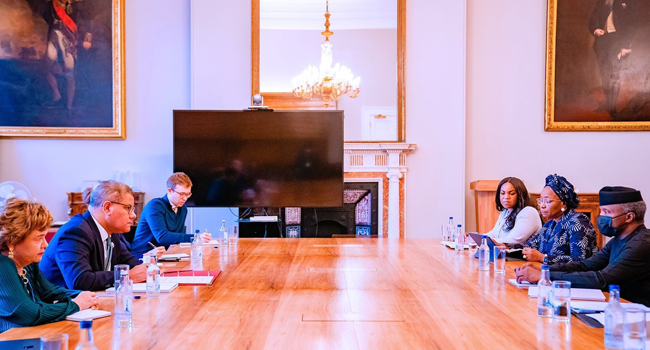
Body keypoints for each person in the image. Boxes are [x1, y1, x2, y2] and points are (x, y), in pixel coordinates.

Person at [516, 186, 650, 306]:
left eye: (607, 212)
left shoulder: (641, 244)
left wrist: (544, 277)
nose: (601, 216)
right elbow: (586, 265)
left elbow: (602, 279)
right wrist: (544, 269)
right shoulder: (618, 239)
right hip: (617, 306)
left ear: (629, 217)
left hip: (637, 314)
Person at [0, 198, 98, 333]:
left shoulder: (27, 263)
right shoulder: (3, 264)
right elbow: (29, 313)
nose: (45, 244)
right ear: (13, 240)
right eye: (38, 238)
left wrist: (85, 296)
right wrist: (76, 305)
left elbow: (50, 293)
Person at [40, 181, 147, 291]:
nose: (133, 215)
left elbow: (132, 264)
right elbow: (80, 281)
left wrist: (147, 268)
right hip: (59, 304)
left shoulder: (111, 232)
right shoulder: (76, 231)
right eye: (128, 208)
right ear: (107, 207)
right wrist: (126, 276)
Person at [131, 173, 211, 258]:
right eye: (181, 194)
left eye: (188, 194)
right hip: (144, 255)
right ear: (169, 191)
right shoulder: (155, 206)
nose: (185, 198)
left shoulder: (183, 208)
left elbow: (178, 236)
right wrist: (196, 238)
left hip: (165, 254)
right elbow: (162, 237)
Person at [522, 175, 597, 264]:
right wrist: (506, 247)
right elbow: (530, 246)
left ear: (563, 204)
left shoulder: (578, 222)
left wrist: (544, 258)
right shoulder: (549, 224)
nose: (542, 205)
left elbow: (581, 260)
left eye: (547, 201)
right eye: (540, 201)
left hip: (571, 277)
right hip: (550, 274)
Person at [588, 0, 637, 119]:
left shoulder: (625, 3)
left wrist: (625, 46)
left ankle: (612, 107)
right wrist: (595, 30)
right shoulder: (601, 3)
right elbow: (592, 20)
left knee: (614, 74)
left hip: (617, 41)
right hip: (603, 42)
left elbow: (630, 25)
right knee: (604, 74)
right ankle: (608, 104)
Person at [42, 0, 93, 110]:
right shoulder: (52, 3)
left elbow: (87, 20)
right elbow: (46, 17)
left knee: (70, 72)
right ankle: (57, 96)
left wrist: (87, 39)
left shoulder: (77, 4)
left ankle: (69, 106)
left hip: (69, 39)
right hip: (53, 36)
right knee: (46, 68)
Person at [484, 177, 542, 245]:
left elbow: (512, 241)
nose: (506, 197)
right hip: (505, 253)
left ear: (520, 195)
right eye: (502, 193)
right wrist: (476, 238)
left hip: (520, 255)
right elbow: (494, 233)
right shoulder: (505, 211)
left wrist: (485, 241)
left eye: (511, 193)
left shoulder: (529, 212)